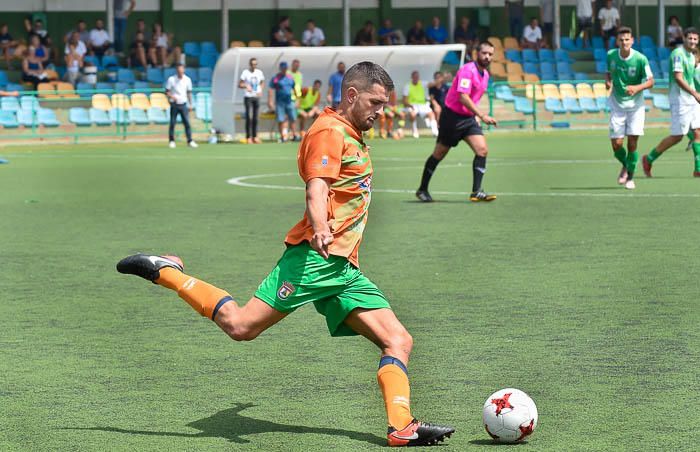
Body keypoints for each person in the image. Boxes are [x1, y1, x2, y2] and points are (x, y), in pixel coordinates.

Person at [116, 61, 455, 448]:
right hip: (314, 261)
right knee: (242, 327)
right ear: (351, 95)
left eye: (385, 103)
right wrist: (322, 227)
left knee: (399, 341)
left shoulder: (350, 132)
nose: (381, 111)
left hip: (342, 269)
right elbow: (317, 188)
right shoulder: (329, 131)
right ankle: (168, 272)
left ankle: (401, 428)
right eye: (375, 102)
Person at [416, 42, 498, 203]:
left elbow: (473, 99)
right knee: (439, 153)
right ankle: (422, 189)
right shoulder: (468, 70)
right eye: (484, 53)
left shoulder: (486, 75)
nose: (487, 56)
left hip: (468, 119)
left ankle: (476, 191)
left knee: (482, 150)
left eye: (490, 54)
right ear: (477, 53)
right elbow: (463, 96)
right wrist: (481, 115)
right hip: (452, 118)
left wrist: (474, 117)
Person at [643, 28, 700, 178]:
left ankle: (698, 169)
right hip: (680, 100)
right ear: (684, 38)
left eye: (695, 39)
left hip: (692, 100)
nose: (693, 41)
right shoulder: (678, 54)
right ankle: (649, 159)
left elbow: (691, 78)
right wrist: (695, 93)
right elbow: (678, 78)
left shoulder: (691, 56)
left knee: (698, 132)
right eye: (690, 38)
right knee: (677, 136)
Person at [604, 27, 654, 190]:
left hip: (635, 107)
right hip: (617, 105)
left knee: (632, 143)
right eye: (621, 39)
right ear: (617, 41)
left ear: (632, 41)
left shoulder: (640, 59)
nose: (624, 42)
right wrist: (608, 81)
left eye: (627, 39)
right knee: (617, 145)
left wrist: (636, 88)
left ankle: (630, 177)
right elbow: (608, 72)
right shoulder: (611, 55)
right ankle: (626, 165)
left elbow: (650, 81)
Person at [166, 64, 197, 149]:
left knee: (187, 123)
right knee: (172, 123)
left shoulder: (187, 80)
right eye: (178, 70)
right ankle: (171, 141)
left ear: (184, 70)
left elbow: (189, 93)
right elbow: (167, 91)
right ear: (176, 70)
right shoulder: (171, 79)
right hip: (174, 104)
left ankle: (190, 140)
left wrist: (190, 104)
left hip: (183, 104)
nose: (180, 71)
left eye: (181, 70)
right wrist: (172, 97)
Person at [402, 71, 438, 138]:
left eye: (417, 77)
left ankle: (435, 132)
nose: (416, 78)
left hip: (423, 105)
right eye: (415, 77)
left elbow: (433, 84)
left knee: (431, 114)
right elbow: (404, 101)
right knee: (413, 114)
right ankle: (415, 131)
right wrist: (410, 105)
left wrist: (442, 78)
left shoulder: (422, 83)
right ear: (412, 77)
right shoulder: (407, 86)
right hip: (412, 105)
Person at [268, 61, 298, 142]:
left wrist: (297, 100)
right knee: (281, 119)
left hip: (289, 102)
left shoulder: (290, 77)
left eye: (285, 68)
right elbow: (270, 89)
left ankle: (294, 135)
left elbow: (294, 88)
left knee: (293, 118)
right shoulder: (276, 78)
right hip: (280, 103)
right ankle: (282, 137)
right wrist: (270, 101)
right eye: (283, 68)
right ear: (280, 68)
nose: (284, 70)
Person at [239, 57, 265, 144]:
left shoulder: (259, 72)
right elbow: (240, 84)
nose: (254, 66)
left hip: (256, 97)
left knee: (255, 118)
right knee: (248, 117)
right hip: (248, 97)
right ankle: (248, 137)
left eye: (255, 64)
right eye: (252, 64)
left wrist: (260, 90)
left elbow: (262, 82)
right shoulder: (245, 73)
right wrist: (246, 86)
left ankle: (255, 136)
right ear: (250, 64)